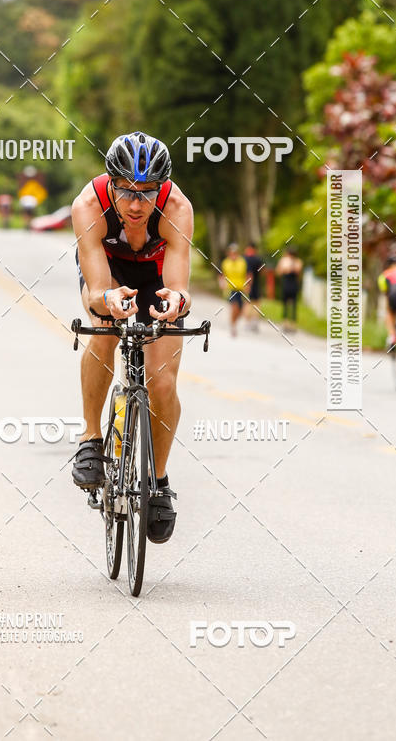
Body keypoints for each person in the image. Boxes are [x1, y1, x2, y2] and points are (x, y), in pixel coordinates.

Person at [70, 132, 193, 544]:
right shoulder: (89, 206)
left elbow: (177, 283)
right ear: (112, 184)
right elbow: (95, 293)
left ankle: (157, 480)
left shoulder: (176, 208)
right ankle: (91, 437)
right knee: (103, 331)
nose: (138, 204)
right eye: (127, 192)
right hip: (110, 275)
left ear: (162, 188)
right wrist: (107, 301)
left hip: (156, 277)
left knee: (162, 381)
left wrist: (176, 301)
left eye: (147, 193)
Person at [220, 243, 248, 336]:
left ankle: (234, 322)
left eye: (235, 253)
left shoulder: (242, 262)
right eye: (232, 253)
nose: (233, 255)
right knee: (234, 307)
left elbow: (246, 274)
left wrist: (248, 285)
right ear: (229, 253)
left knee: (241, 310)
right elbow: (223, 275)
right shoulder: (226, 262)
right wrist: (222, 283)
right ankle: (233, 325)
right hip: (230, 288)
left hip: (241, 288)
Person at [276, 246, 303, 331]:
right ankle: (286, 322)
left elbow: (298, 271)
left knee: (293, 305)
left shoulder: (297, 261)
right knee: (286, 304)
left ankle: (291, 323)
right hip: (287, 283)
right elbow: (279, 272)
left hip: (291, 283)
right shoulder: (285, 261)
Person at [243, 241, 264, 331]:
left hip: (247, 284)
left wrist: (247, 285)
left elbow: (248, 273)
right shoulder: (258, 259)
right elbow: (263, 271)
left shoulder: (244, 259)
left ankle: (247, 322)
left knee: (247, 303)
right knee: (256, 303)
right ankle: (254, 322)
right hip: (256, 284)